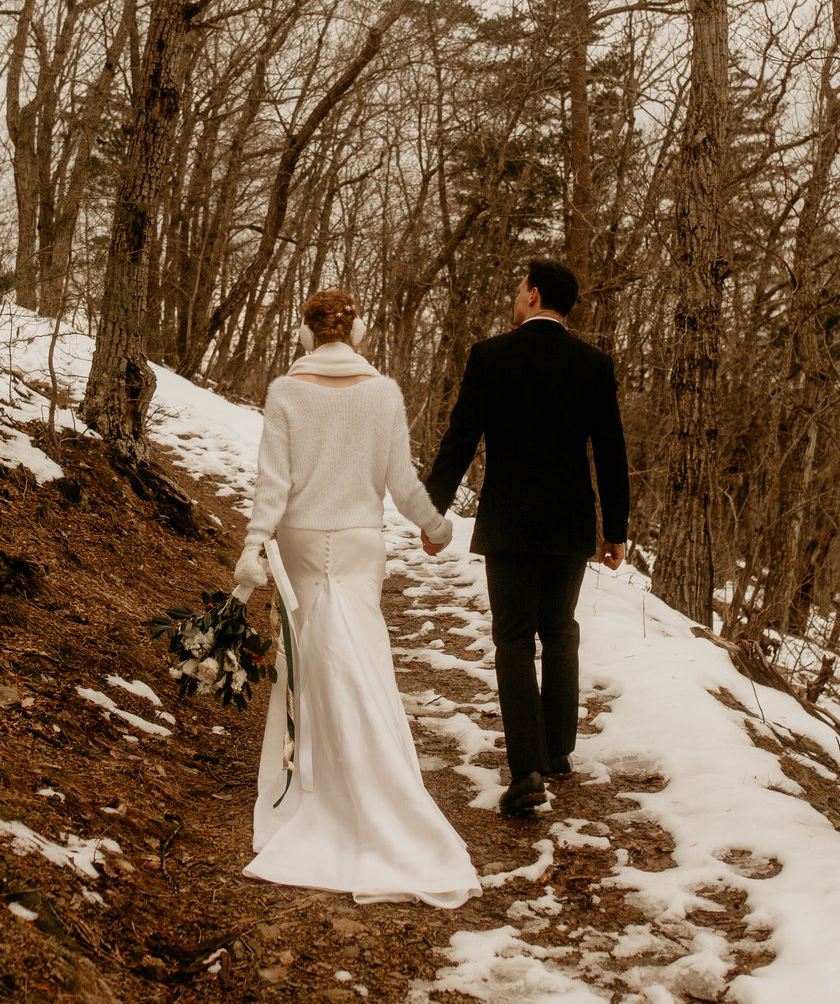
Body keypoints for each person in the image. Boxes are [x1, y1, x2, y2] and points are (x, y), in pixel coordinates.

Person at [233, 289, 479, 907]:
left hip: (300, 539)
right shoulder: (384, 393)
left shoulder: (286, 392)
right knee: (362, 660)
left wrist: (254, 544)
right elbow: (401, 482)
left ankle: (305, 783)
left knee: (306, 664)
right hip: (361, 544)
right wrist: (434, 523)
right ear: (358, 332)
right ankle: (376, 777)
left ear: (306, 335)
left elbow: (273, 483)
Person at [427, 259, 630, 818]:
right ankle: (558, 750)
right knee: (559, 629)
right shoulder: (594, 364)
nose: (515, 298)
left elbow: (461, 436)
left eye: (519, 289)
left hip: (511, 521)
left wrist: (432, 509)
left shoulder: (491, 355)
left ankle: (526, 772)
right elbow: (611, 451)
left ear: (535, 295)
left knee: (515, 638)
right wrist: (616, 529)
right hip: (569, 522)